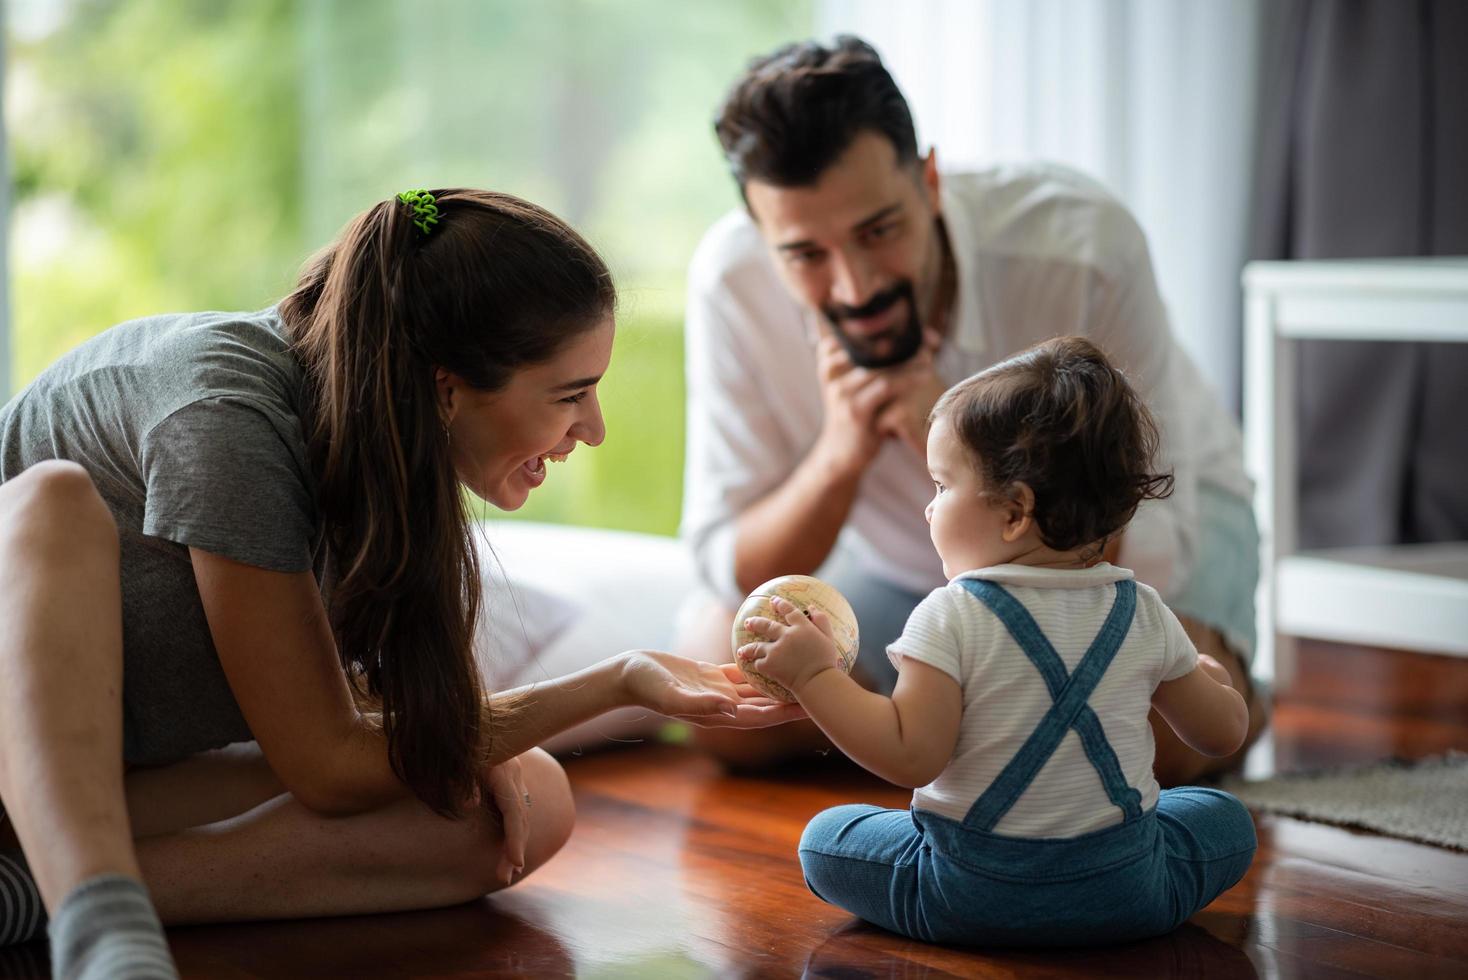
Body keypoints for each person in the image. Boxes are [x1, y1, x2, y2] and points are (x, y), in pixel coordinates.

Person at [0, 188, 799, 979]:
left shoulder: (372, 450)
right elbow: (327, 766)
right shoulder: (224, 414)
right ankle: (100, 918)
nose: (592, 429)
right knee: (48, 501)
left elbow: (335, 722)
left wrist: (470, 739)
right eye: (571, 394)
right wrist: (620, 681)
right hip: (29, 777)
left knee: (521, 802)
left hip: (98, 797)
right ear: (447, 388)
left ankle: (35, 893)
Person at [679, 36, 1266, 781]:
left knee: (1173, 741)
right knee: (718, 685)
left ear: (929, 182)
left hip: (1128, 551)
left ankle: (1240, 689)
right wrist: (839, 457)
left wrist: (959, 438)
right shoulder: (731, 283)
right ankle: (977, 727)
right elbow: (734, 570)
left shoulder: (1081, 244)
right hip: (909, 571)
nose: (855, 288)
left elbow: (1138, 539)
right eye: (805, 255)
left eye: (878, 231)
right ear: (761, 238)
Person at [735, 337, 1257, 945]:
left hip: (965, 894)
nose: (929, 510)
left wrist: (814, 677)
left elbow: (910, 754)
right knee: (1226, 821)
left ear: (1014, 512)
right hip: (1127, 891)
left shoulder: (949, 615)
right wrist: (1211, 677)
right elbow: (1221, 734)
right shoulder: (1142, 609)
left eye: (940, 486)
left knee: (825, 840)